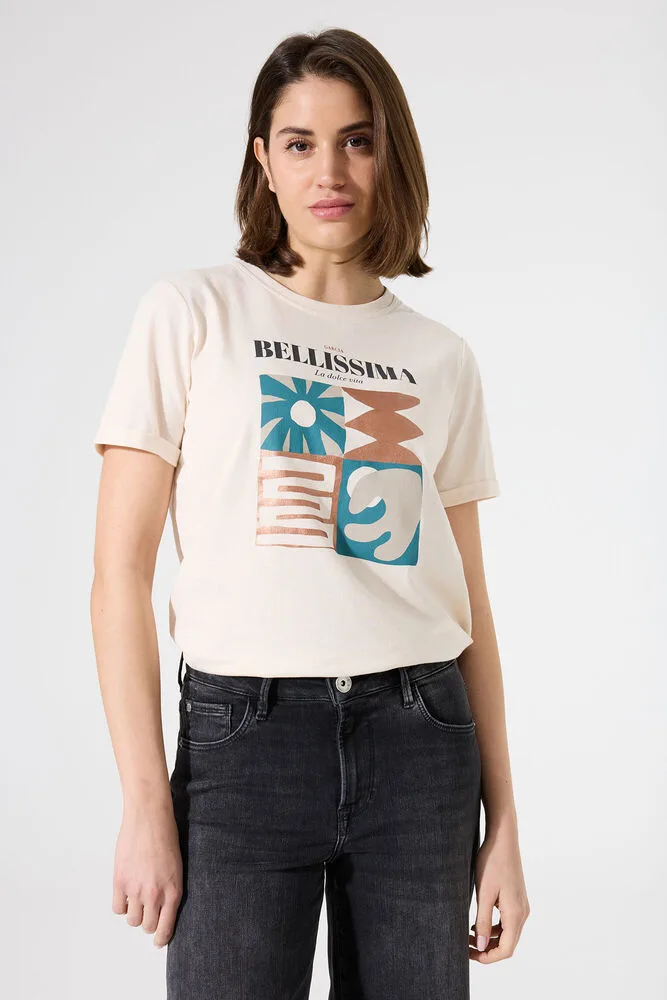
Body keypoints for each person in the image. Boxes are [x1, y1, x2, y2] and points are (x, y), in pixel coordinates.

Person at [90, 26, 529, 1000]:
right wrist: (144, 803)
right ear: (263, 160)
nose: (329, 171)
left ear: (390, 154)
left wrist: (503, 824)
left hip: (420, 740)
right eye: (299, 142)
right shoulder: (192, 313)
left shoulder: (441, 357)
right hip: (243, 742)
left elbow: (470, 603)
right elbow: (118, 574)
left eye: (357, 140)